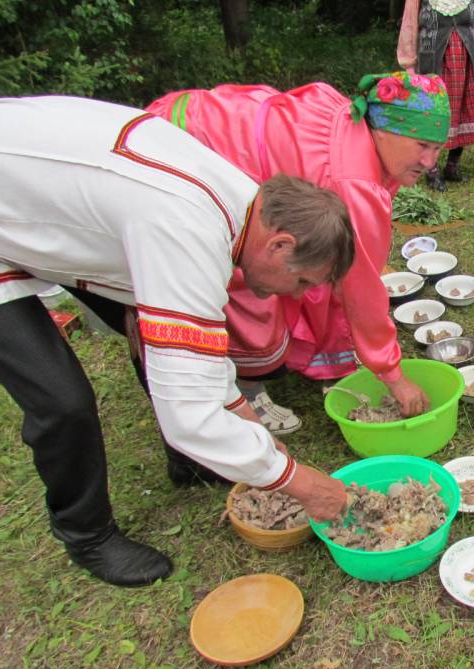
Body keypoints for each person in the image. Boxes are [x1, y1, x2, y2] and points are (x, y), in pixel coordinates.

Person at [0, 96, 354, 587]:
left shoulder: (243, 205)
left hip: (30, 203)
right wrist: (299, 482)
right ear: (280, 245)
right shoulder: (186, 227)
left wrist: (239, 412)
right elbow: (188, 414)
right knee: (61, 401)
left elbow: (195, 346)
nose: (296, 295)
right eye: (302, 282)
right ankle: (86, 533)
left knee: (160, 339)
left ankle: (192, 462)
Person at [146, 73, 451, 431]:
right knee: (251, 271)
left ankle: (313, 358)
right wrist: (393, 374)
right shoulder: (354, 184)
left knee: (306, 264)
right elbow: (359, 285)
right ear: (384, 130)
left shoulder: (353, 124)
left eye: (437, 148)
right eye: (421, 145)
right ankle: (244, 387)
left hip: (199, 114)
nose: (431, 162)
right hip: (191, 148)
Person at [397, 0, 474, 191]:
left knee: (463, 109)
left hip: (466, 62)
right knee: (433, 116)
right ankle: (431, 170)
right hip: (434, 66)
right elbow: (409, 26)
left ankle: (452, 166)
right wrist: (409, 67)